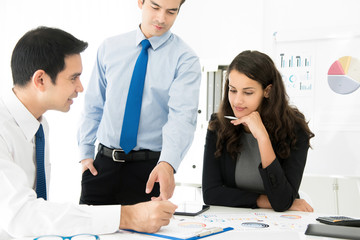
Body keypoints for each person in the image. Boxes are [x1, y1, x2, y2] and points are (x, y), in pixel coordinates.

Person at [0, 26, 177, 239]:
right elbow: (22, 216)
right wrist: (127, 216)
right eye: (73, 78)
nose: (80, 87)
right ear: (41, 80)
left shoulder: (38, 124)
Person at [78, 0, 201, 205]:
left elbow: (182, 117)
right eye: (155, 7)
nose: (162, 18)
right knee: (89, 234)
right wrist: (85, 154)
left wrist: (168, 164)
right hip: (101, 166)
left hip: (150, 171)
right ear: (140, 2)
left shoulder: (185, 59)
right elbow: (94, 104)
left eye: (171, 12)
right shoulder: (110, 48)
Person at [202, 50, 315, 212]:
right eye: (232, 90)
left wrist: (262, 138)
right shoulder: (218, 124)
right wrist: (263, 200)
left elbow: (282, 200)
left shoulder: (295, 128)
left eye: (248, 92)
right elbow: (211, 194)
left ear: (267, 91)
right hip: (234, 220)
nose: (237, 101)